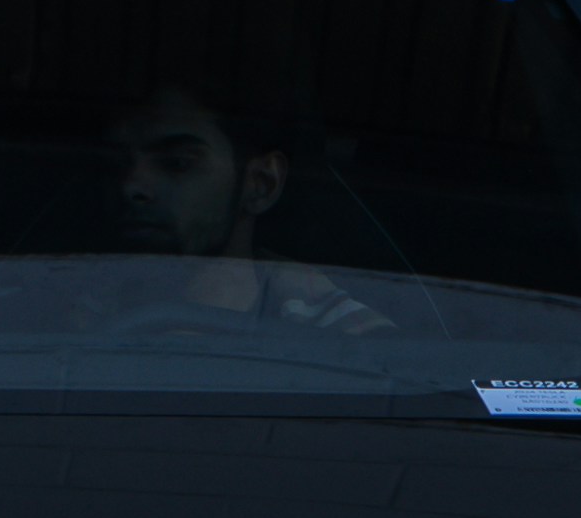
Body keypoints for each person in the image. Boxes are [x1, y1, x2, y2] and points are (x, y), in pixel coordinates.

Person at [108, 84, 387, 334]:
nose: (132, 185)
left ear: (261, 183)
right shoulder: (77, 318)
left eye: (178, 162)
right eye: (121, 163)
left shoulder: (346, 345)